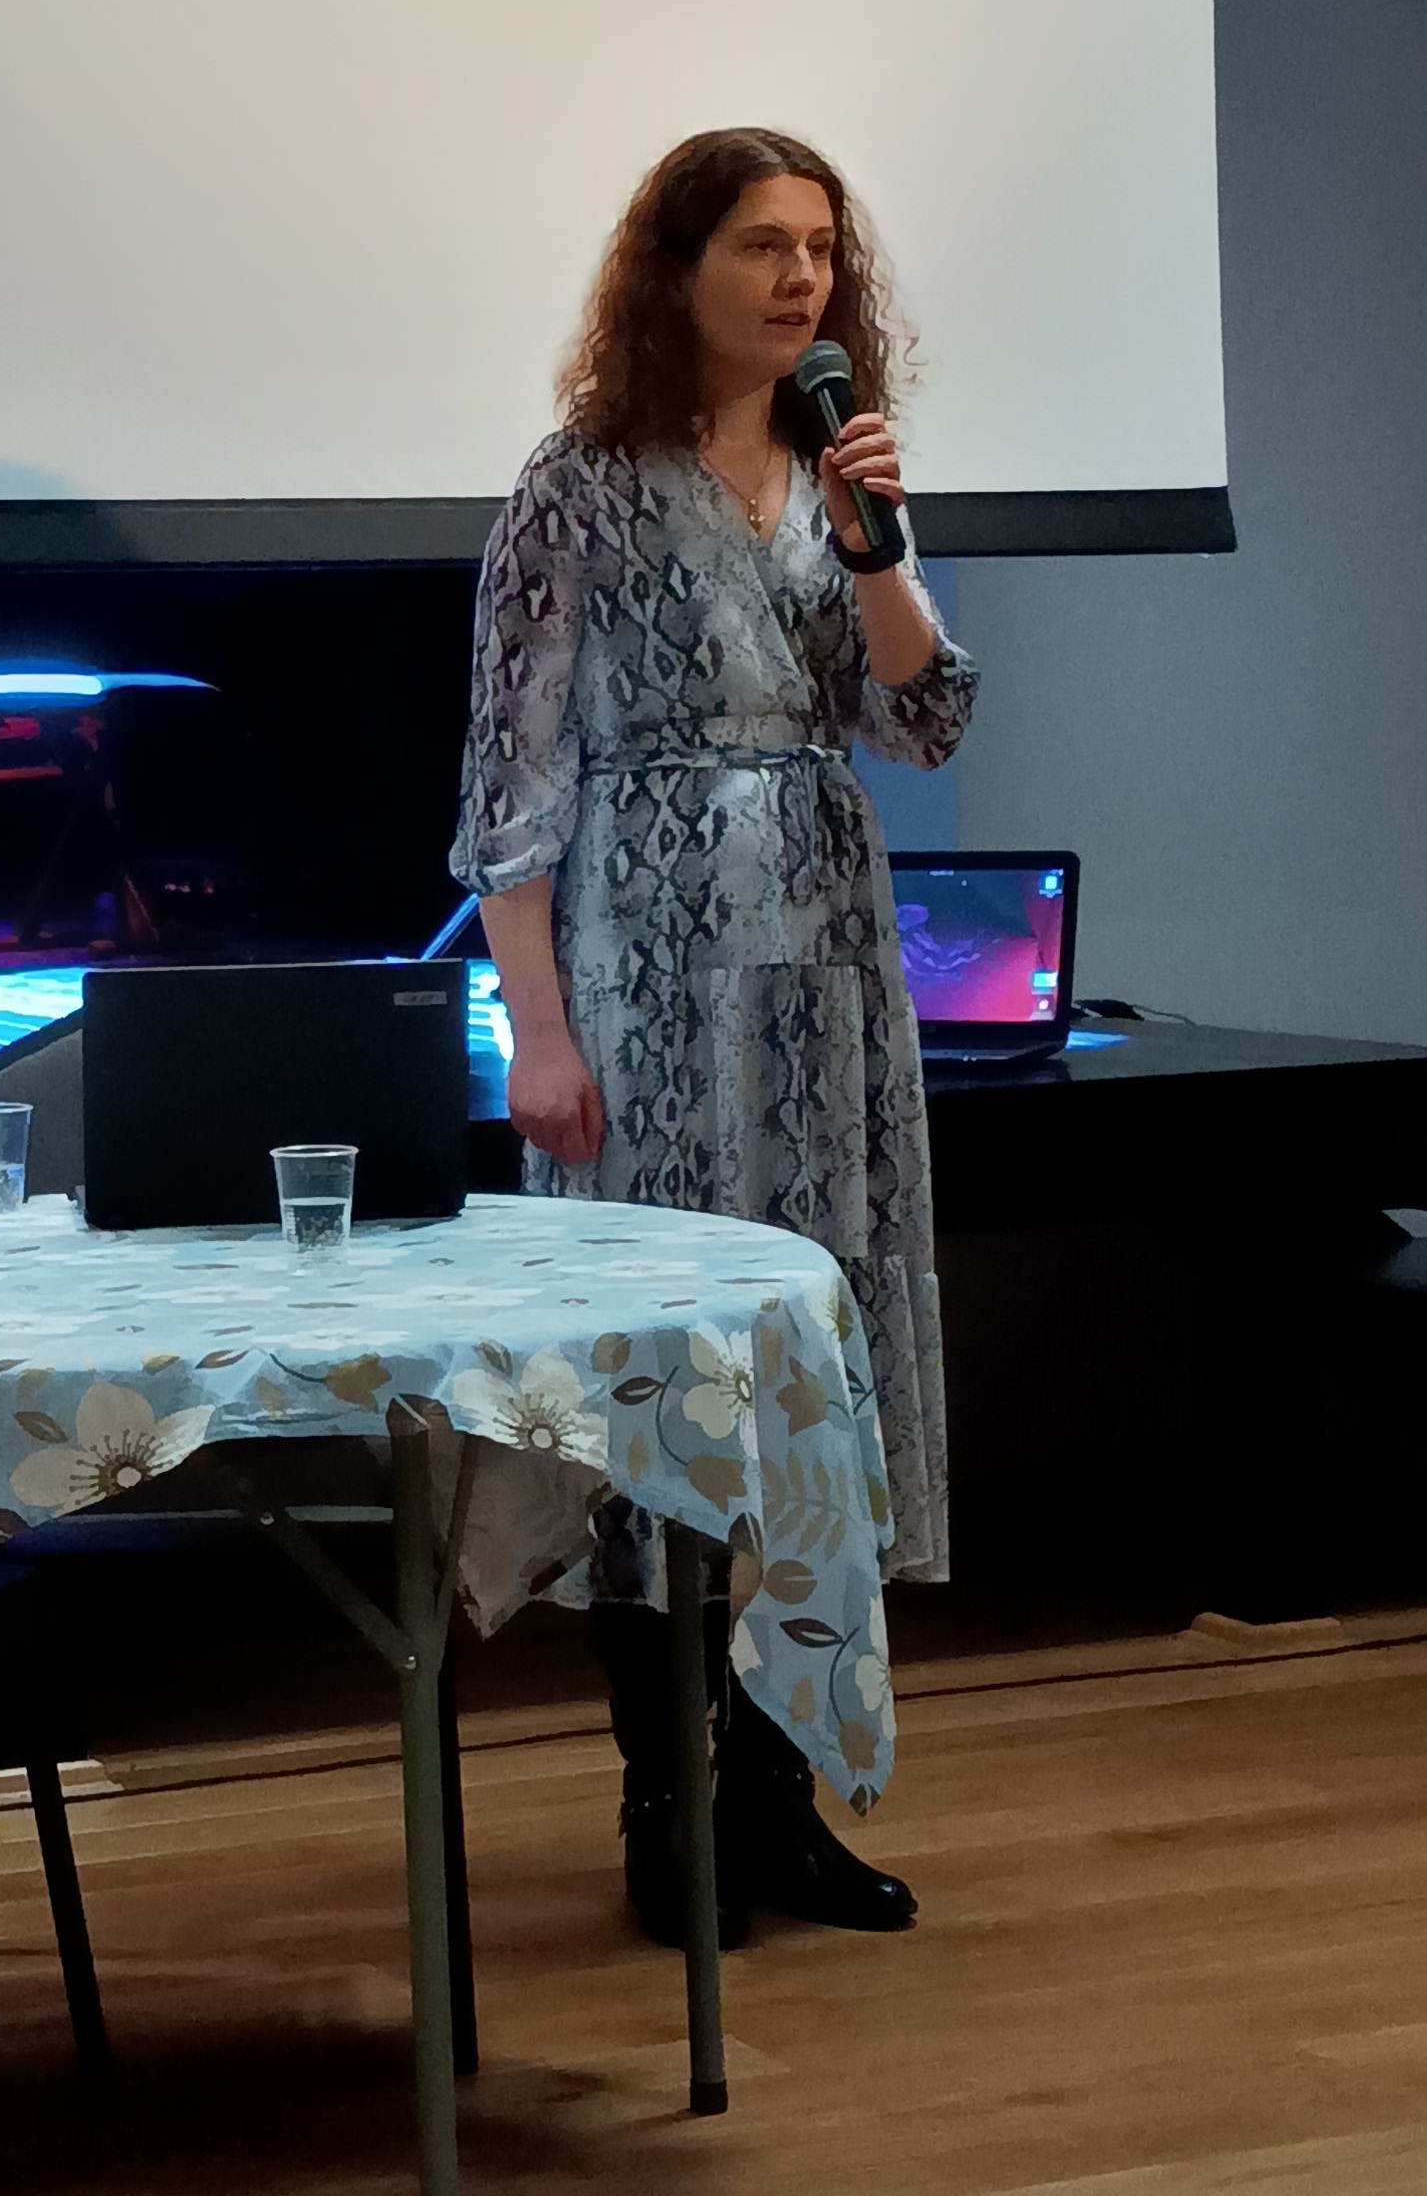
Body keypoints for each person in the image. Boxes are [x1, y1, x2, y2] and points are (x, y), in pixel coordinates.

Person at [449, 128, 978, 1946]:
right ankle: (660, 1806)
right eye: (762, 243)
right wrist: (537, 1033)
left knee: (806, 1383)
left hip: (827, 974)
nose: (800, 277)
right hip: (646, 970)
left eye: (820, 247)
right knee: (657, 1386)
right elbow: (510, 786)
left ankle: (776, 1804)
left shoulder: (845, 477)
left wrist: (876, 541)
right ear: (674, 272)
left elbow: (926, 722)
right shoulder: (579, 486)